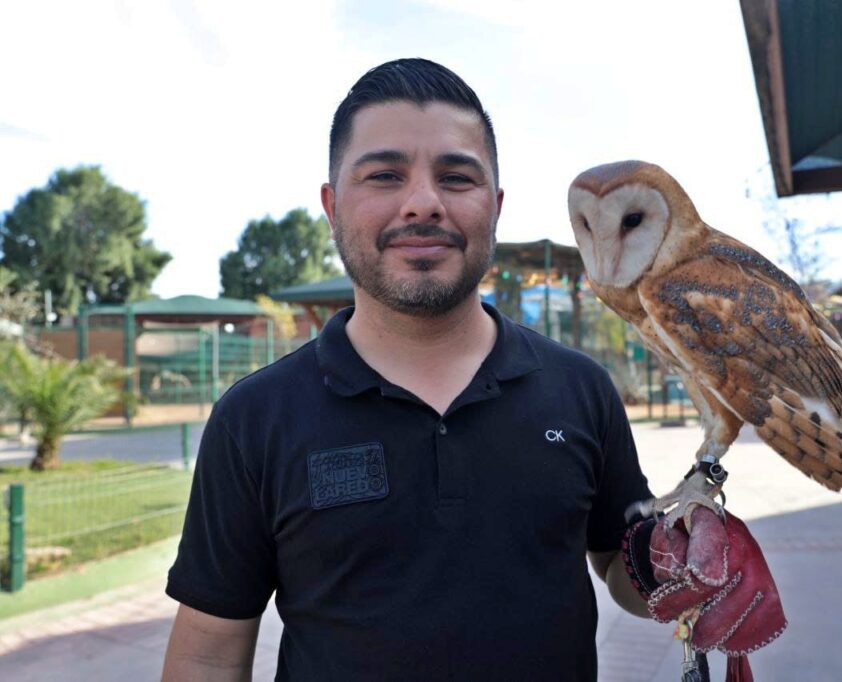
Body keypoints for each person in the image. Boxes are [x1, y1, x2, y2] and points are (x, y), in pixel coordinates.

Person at [161, 58, 783, 682]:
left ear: (496, 205)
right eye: (384, 175)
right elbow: (208, 652)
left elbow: (618, 569)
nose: (423, 203)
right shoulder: (255, 418)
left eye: (457, 178)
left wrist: (672, 561)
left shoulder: (580, 389)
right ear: (331, 205)